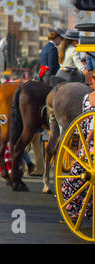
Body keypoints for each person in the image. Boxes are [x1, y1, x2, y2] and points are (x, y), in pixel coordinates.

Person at [62, 78, 95, 221]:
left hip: (91, 145)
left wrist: (88, 139)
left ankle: (80, 211)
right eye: (92, 79)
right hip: (87, 146)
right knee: (73, 179)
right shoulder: (86, 98)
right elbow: (83, 121)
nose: (91, 81)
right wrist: (81, 145)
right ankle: (75, 212)